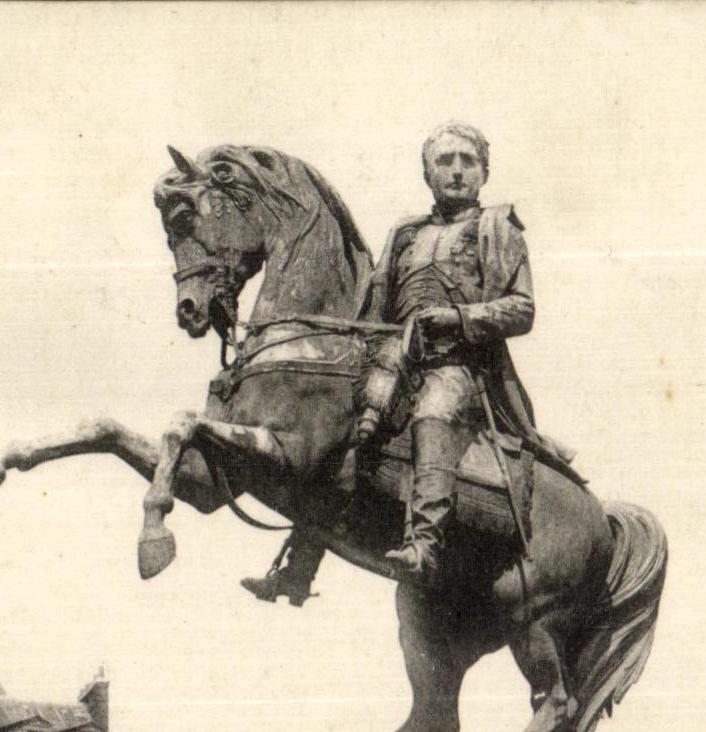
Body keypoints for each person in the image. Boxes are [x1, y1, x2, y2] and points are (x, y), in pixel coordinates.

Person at [242, 120, 570, 603]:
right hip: (395, 357)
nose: (456, 171)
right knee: (337, 425)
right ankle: (299, 566)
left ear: (484, 171)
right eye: (444, 161)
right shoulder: (405, 232)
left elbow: (521, 309)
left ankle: (424, 544)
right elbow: (375, 306)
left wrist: (456, 317)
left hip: (459, 365)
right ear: (427, 173)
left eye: (467, 161)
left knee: (431, 413)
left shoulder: (497, 228)